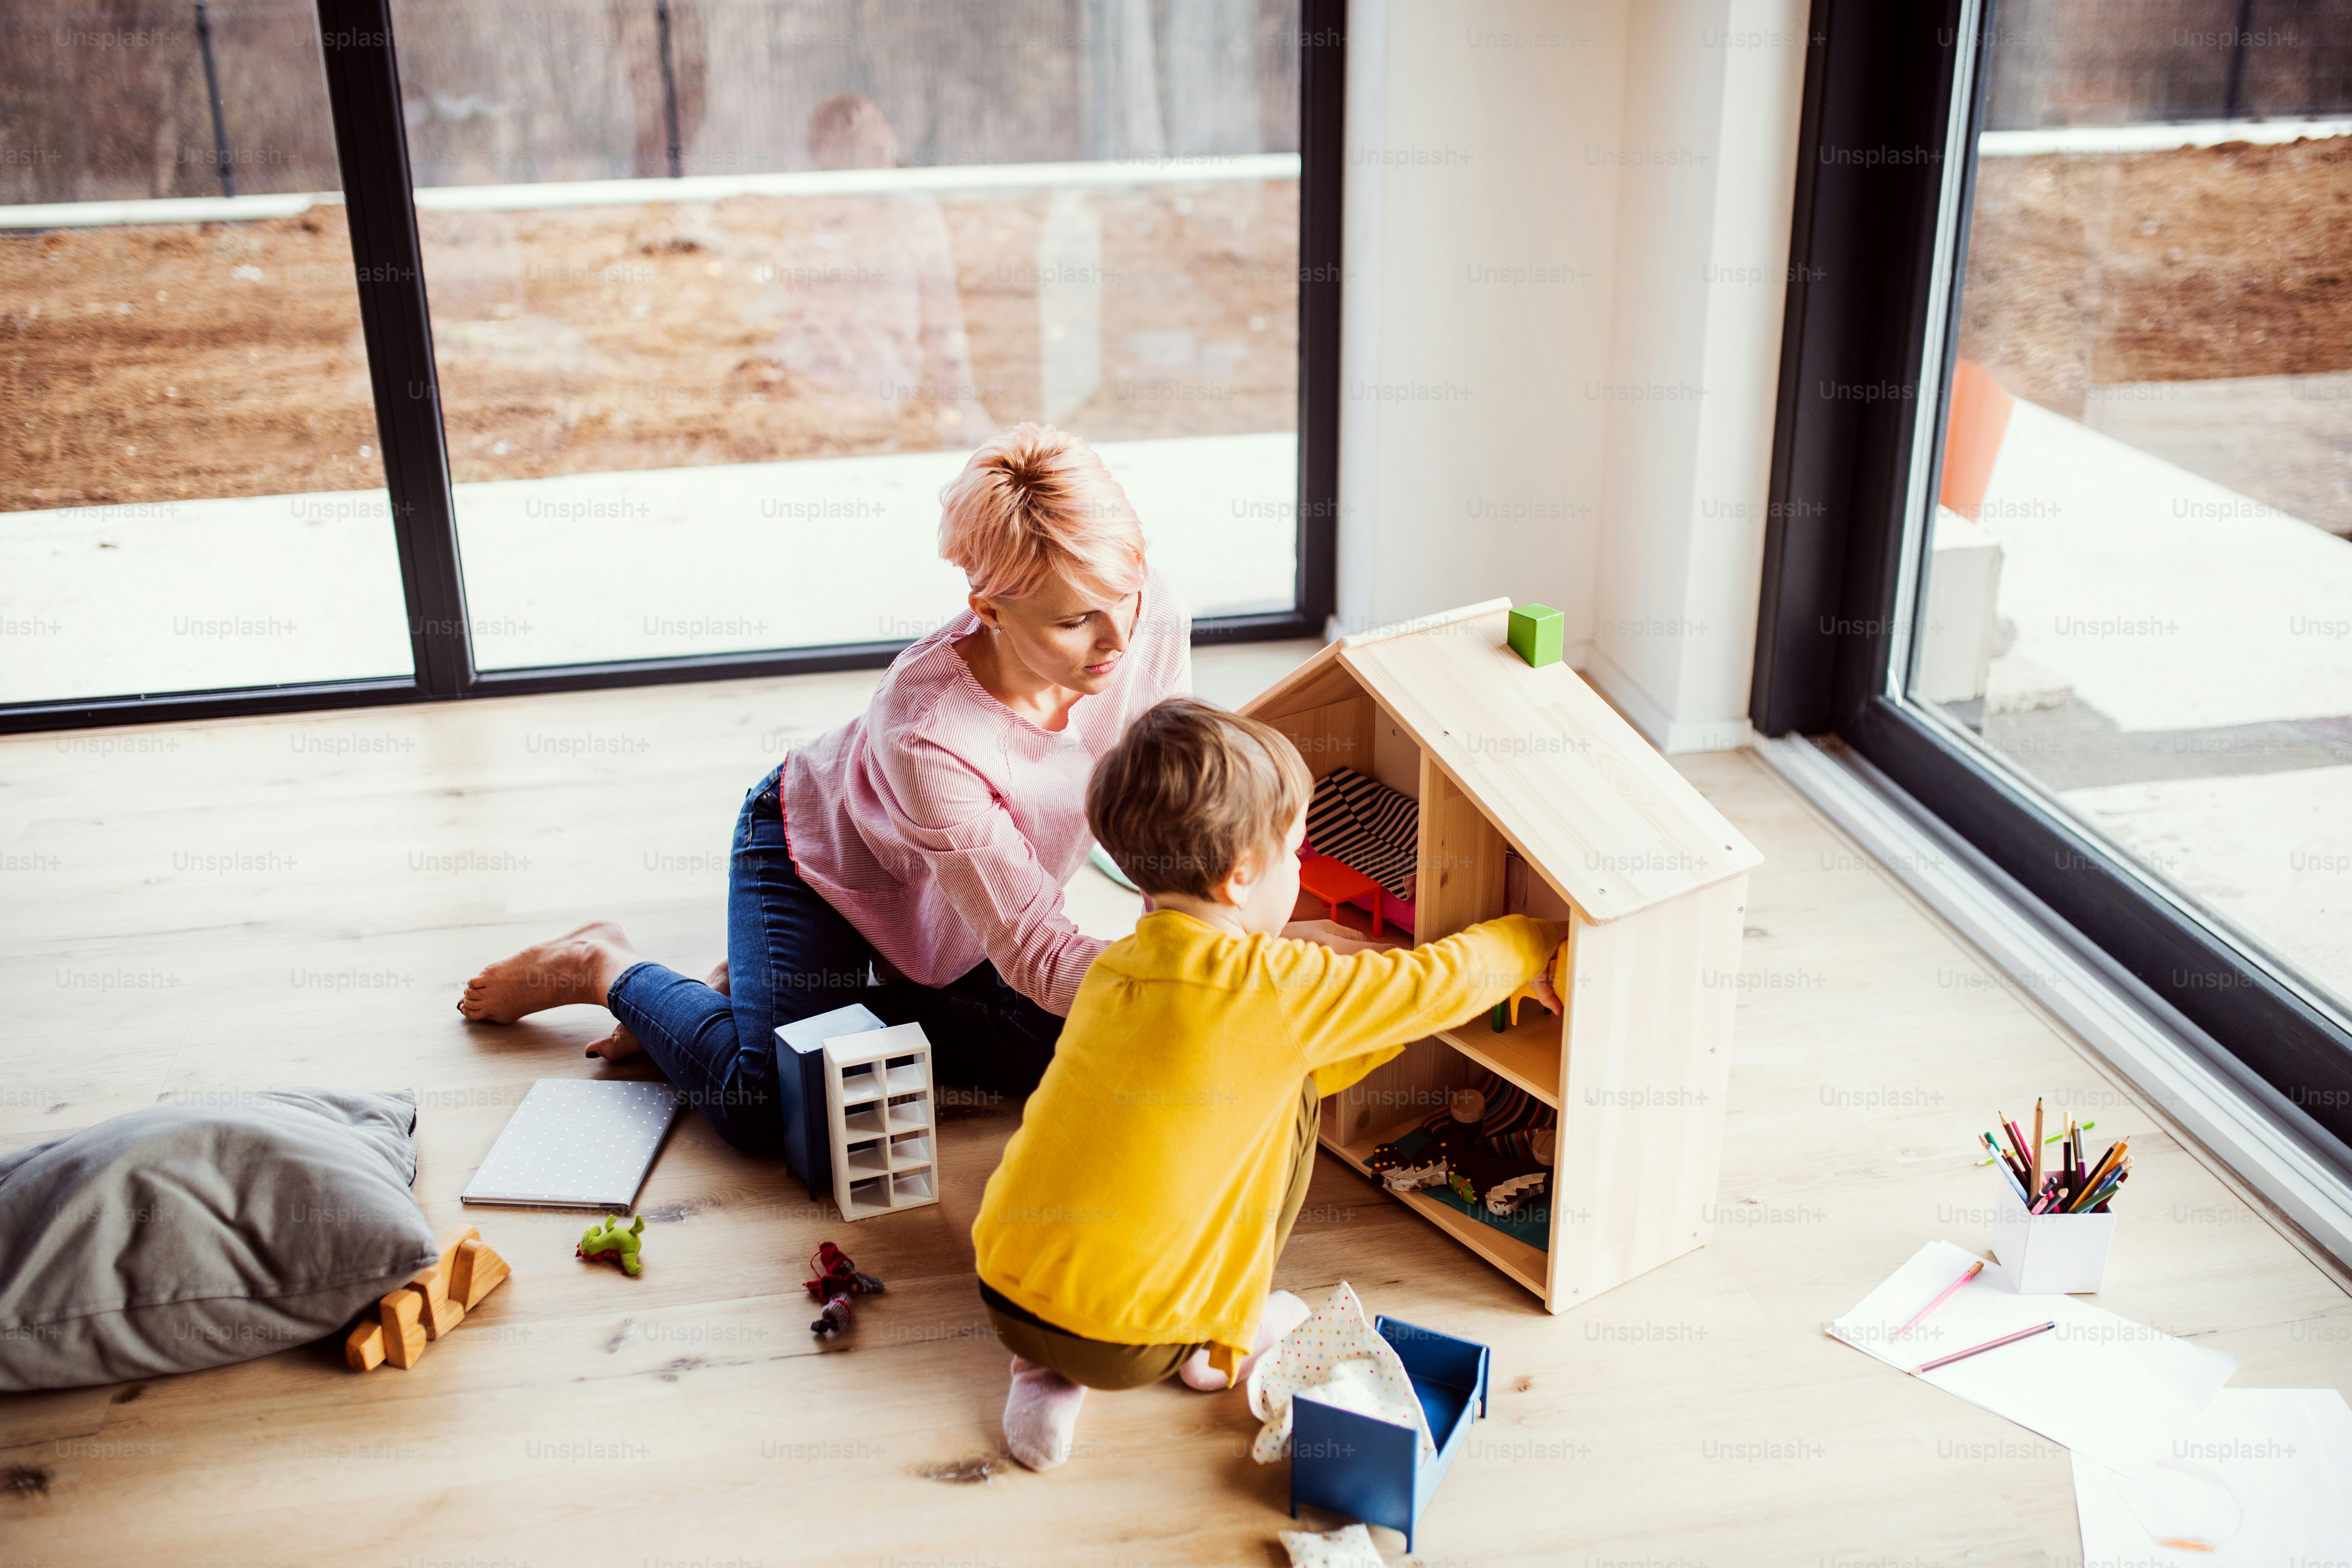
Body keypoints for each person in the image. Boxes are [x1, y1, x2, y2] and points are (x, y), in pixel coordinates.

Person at [455, 424, 1190, 1159]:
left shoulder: (1144, 609)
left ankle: (753, 998)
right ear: (989, 610)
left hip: (958, 918)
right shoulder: (925, 724)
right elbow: (1033, 948)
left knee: (1096, 1047)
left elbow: (1170, 809)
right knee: (771, 1106)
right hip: (816, 864)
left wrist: (1195, 945)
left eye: (1122, 596)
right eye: (1074, 620)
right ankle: (604, 964)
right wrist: (1191, 983)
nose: (1117, 639)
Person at [968, 697, 1563, 1471]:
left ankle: (1043, 1382)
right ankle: (1224, 1338)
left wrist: (1368, 1026)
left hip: (1007, 1290)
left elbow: (1271, 1061)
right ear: (1240, 876)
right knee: (1287, 1114)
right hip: (1135, 1345)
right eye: (1297, 854)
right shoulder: (1273, 984)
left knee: (1193, 1131)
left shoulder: (1116, 965)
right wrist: (1535, 938)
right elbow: (1432, 982)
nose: (1300, 869)